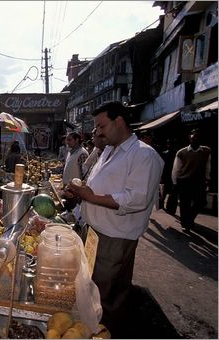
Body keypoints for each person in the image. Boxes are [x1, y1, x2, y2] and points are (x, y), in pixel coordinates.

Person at [67, 101, 164, 335]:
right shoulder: (109, 150)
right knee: (92, 290)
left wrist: (91, 196)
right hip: (95, 232)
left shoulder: (144, 155)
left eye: (101, 126)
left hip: (114, 238)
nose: (98, 132)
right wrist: (81, 195)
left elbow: (136, 199)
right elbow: (97, 186)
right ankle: (93, 328)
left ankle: (106, 333)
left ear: (119, 121)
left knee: (107, 298)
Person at [171, 128, 211, 233]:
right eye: (193, 136)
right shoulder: (182, 152)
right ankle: (185, 224)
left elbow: (208, 166)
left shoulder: (206, 151)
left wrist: (208, 179)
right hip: (184, 181)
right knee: (185, 203)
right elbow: (176, 169)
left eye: (197, 137)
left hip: (199, 181)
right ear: (189, 138)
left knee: (201, 202)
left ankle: (189, 219)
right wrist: (175, 183)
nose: (195, 138)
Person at [159, 138, 178, 214]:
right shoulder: (164, 154)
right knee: (165, 191)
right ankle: (163, 204)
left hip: (173, 175)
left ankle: (170, 208)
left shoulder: (177, 154)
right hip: (166, 175)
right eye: (168, 144)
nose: (169, 145)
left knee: (172, 193)